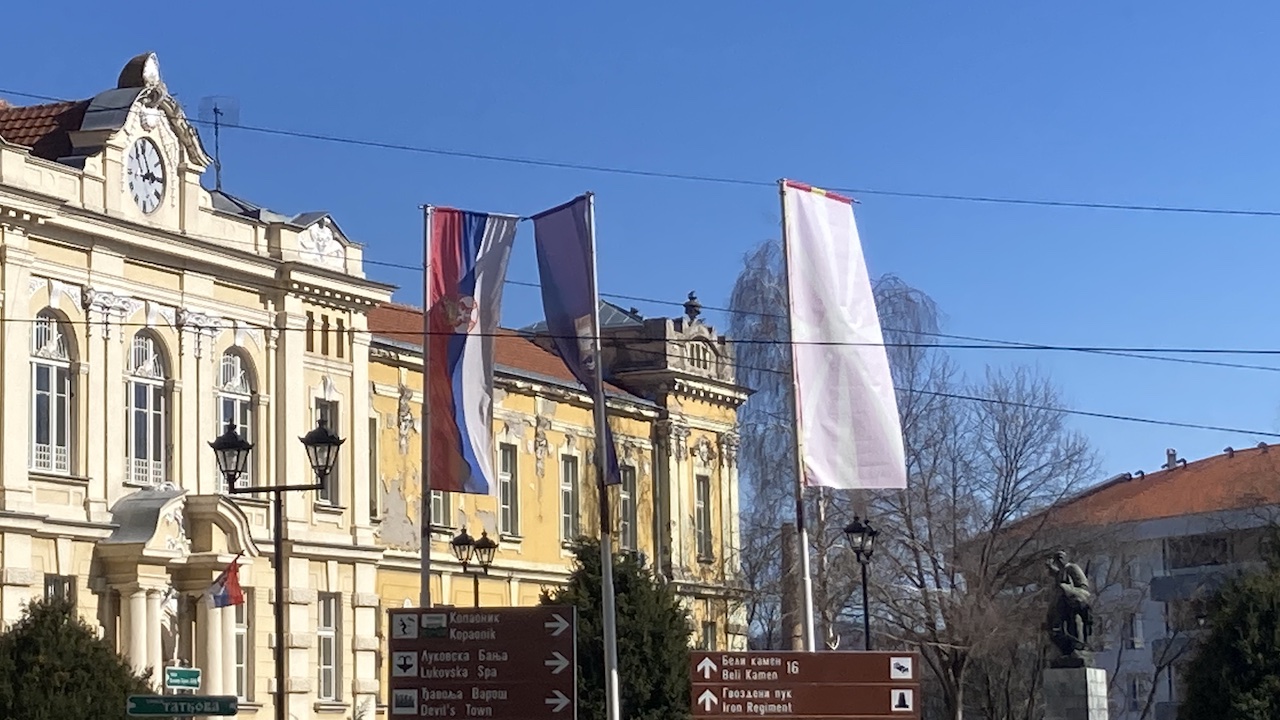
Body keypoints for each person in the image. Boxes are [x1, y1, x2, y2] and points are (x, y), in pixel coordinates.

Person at [1045, 550, 1093, 658]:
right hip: (1063, 605)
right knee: (1056, 627)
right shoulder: (1061, 572)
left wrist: (1069, 590)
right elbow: (1057, 574)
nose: (1059, 561)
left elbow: (1083, 587)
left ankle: (1078, 647)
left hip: (1075, 603)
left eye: (1061, 558)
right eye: (1057, 559)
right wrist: (1049, 567)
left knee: (1075, 625)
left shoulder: (1073, 568)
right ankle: (1067, 649)